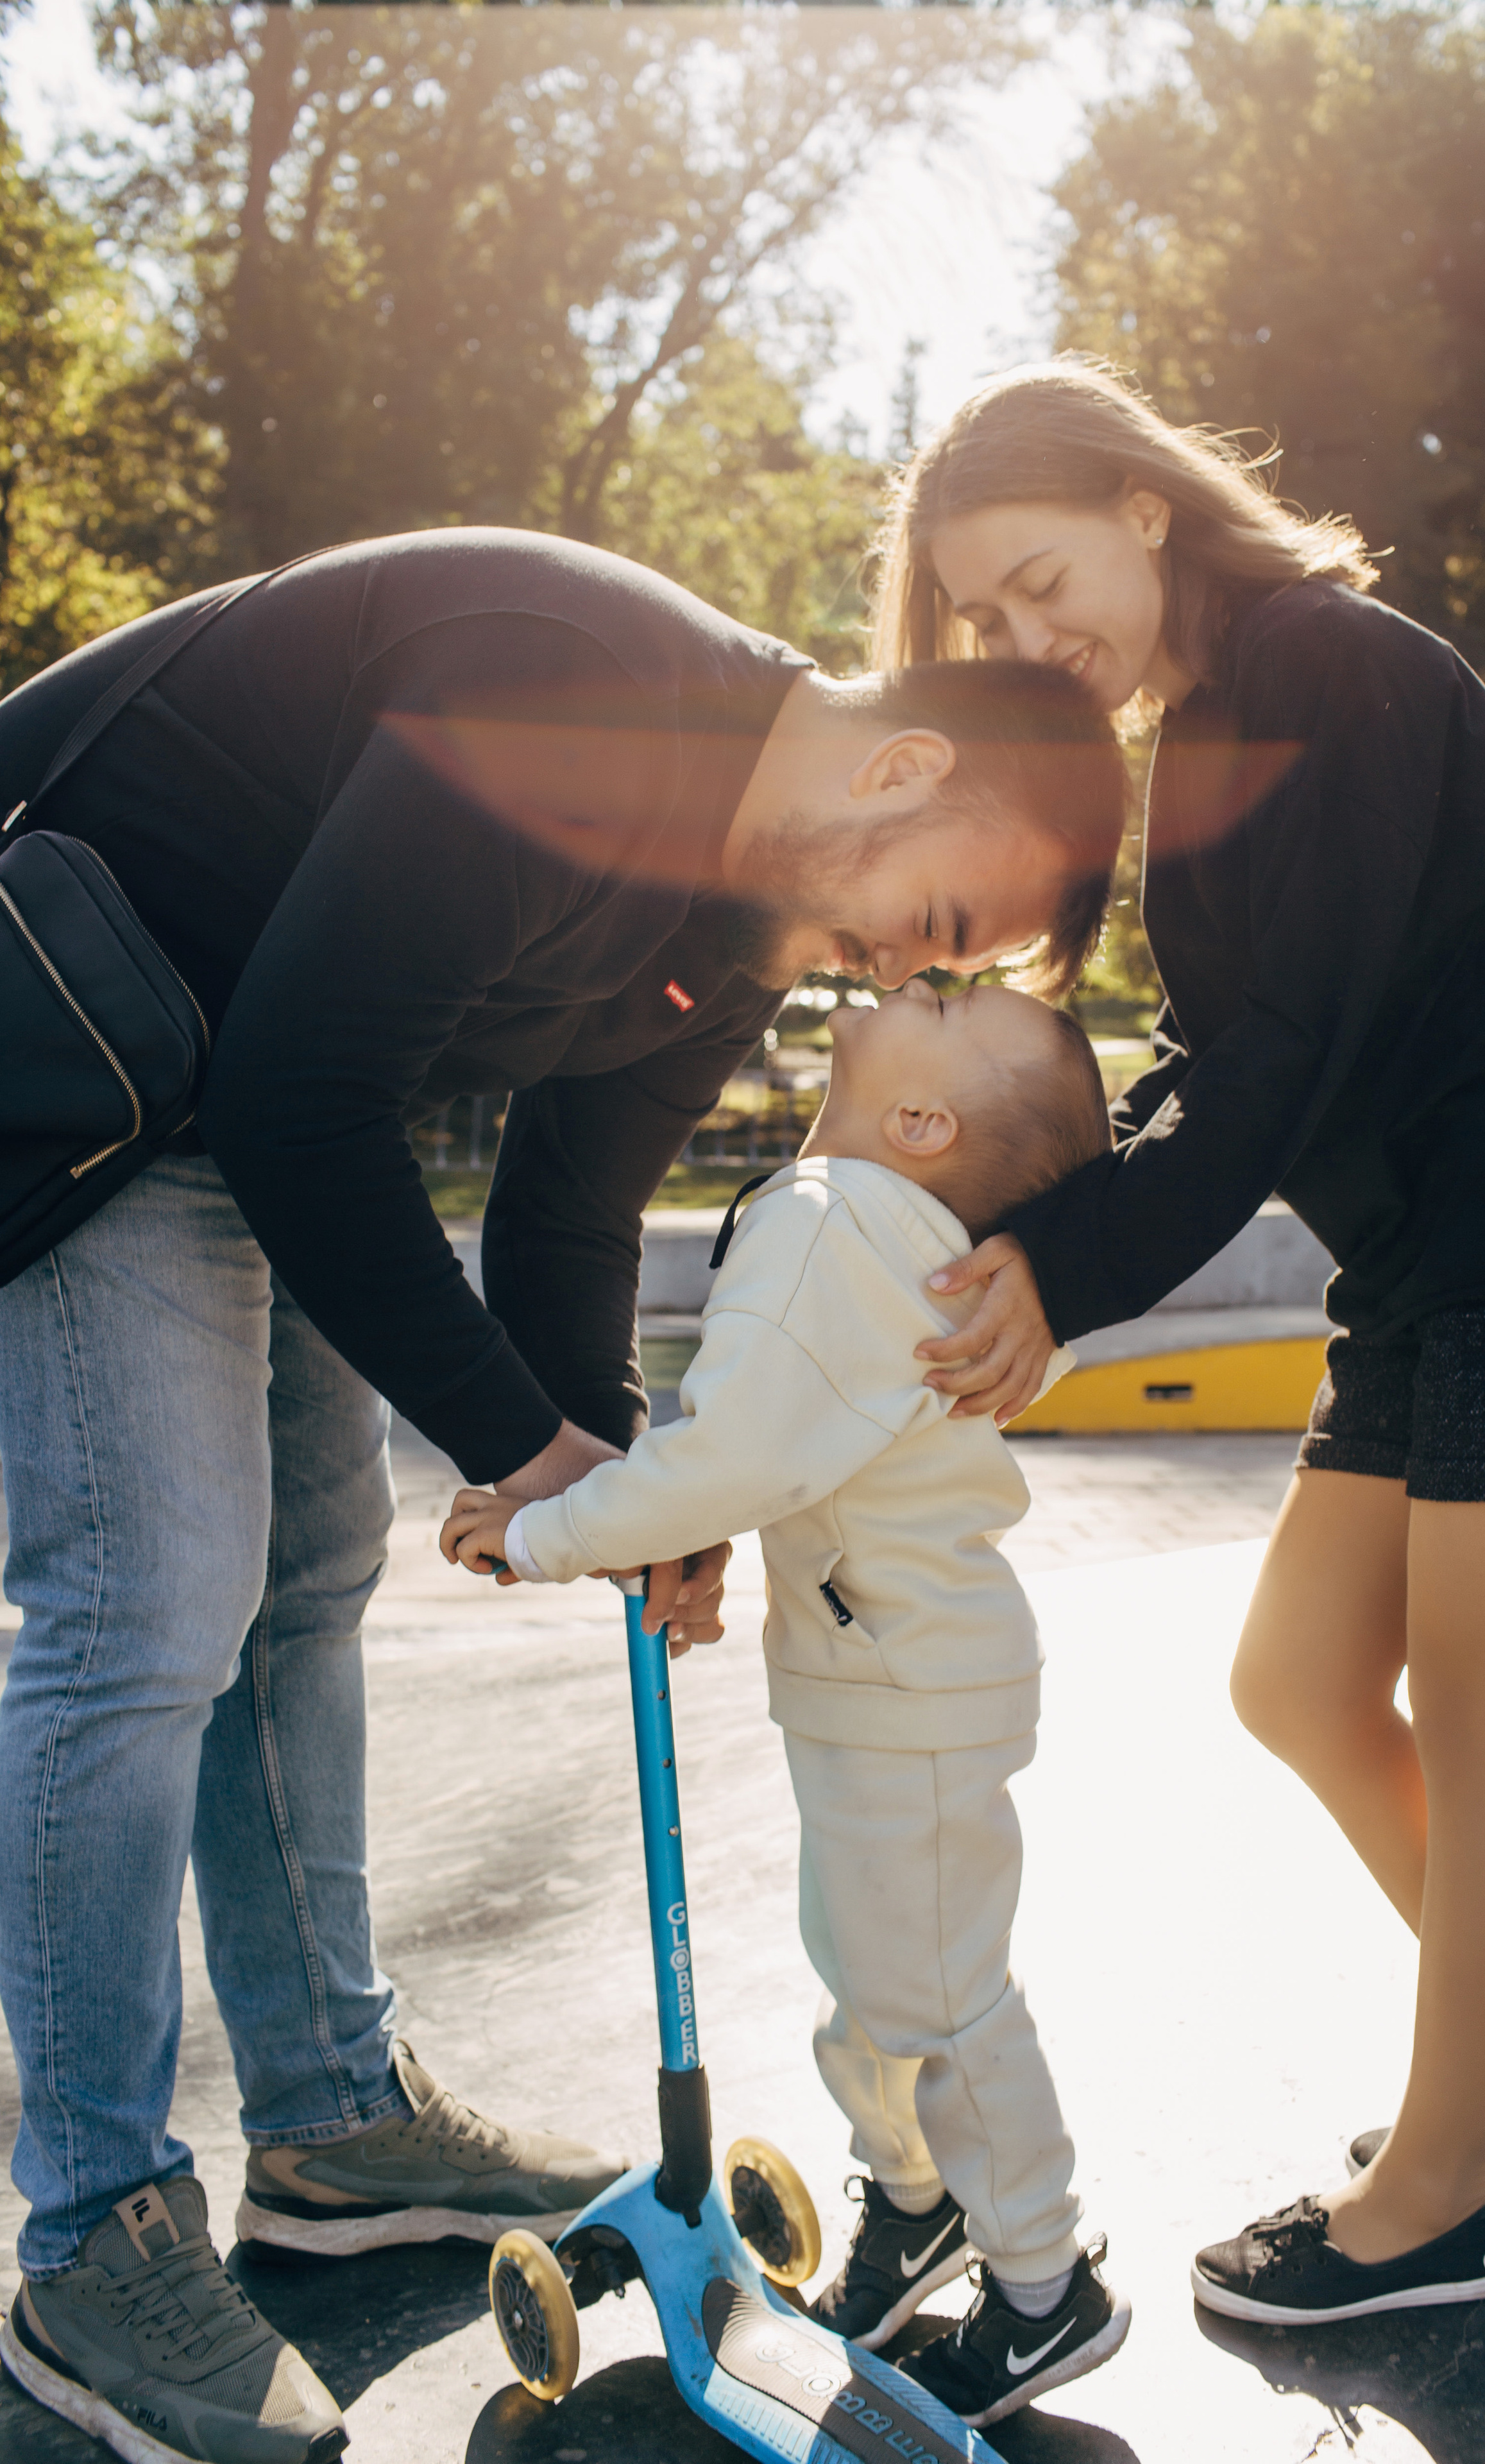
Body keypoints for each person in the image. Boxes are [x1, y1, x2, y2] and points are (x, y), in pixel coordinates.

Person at [0, 527, 1121, 2463]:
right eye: (937, 923)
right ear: (900, 769)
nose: (907, 971)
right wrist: (529, 1460)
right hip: (88, 1042)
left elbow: (570, 1206)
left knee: (306, 1581)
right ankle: (95, 2230)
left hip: (228, 1077)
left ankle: (332, 2121)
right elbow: (304, 1097)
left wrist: (637, 1479)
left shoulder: (734, 937)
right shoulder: (576, 688)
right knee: (151, 1599)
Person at [870, 360, 1485, 2326]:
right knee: (1302, 1681)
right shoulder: (1212, 721)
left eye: (1047, 583)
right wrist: (1041, 1221)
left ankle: (1436, 2198)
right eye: (992, 623)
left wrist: (1073, 1268)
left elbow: (1285, 1043)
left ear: (1142, 504)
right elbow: (1229, 1058)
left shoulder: (1329, 659)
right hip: (1426, 1255)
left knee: (1483, 1728)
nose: (1036, 644)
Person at [443, 973, 1131, 2428]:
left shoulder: (840, 1226)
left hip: (906, 1686)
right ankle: (918, 2202)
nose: (924, 971)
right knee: (870, 1980)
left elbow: (734, 1456)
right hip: (877, 1672)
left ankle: (1040, 2289)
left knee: (939, 1999)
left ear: (922, 1114)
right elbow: (771, 1446)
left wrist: (550, 1527)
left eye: (950, 999)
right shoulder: (862, 1224)